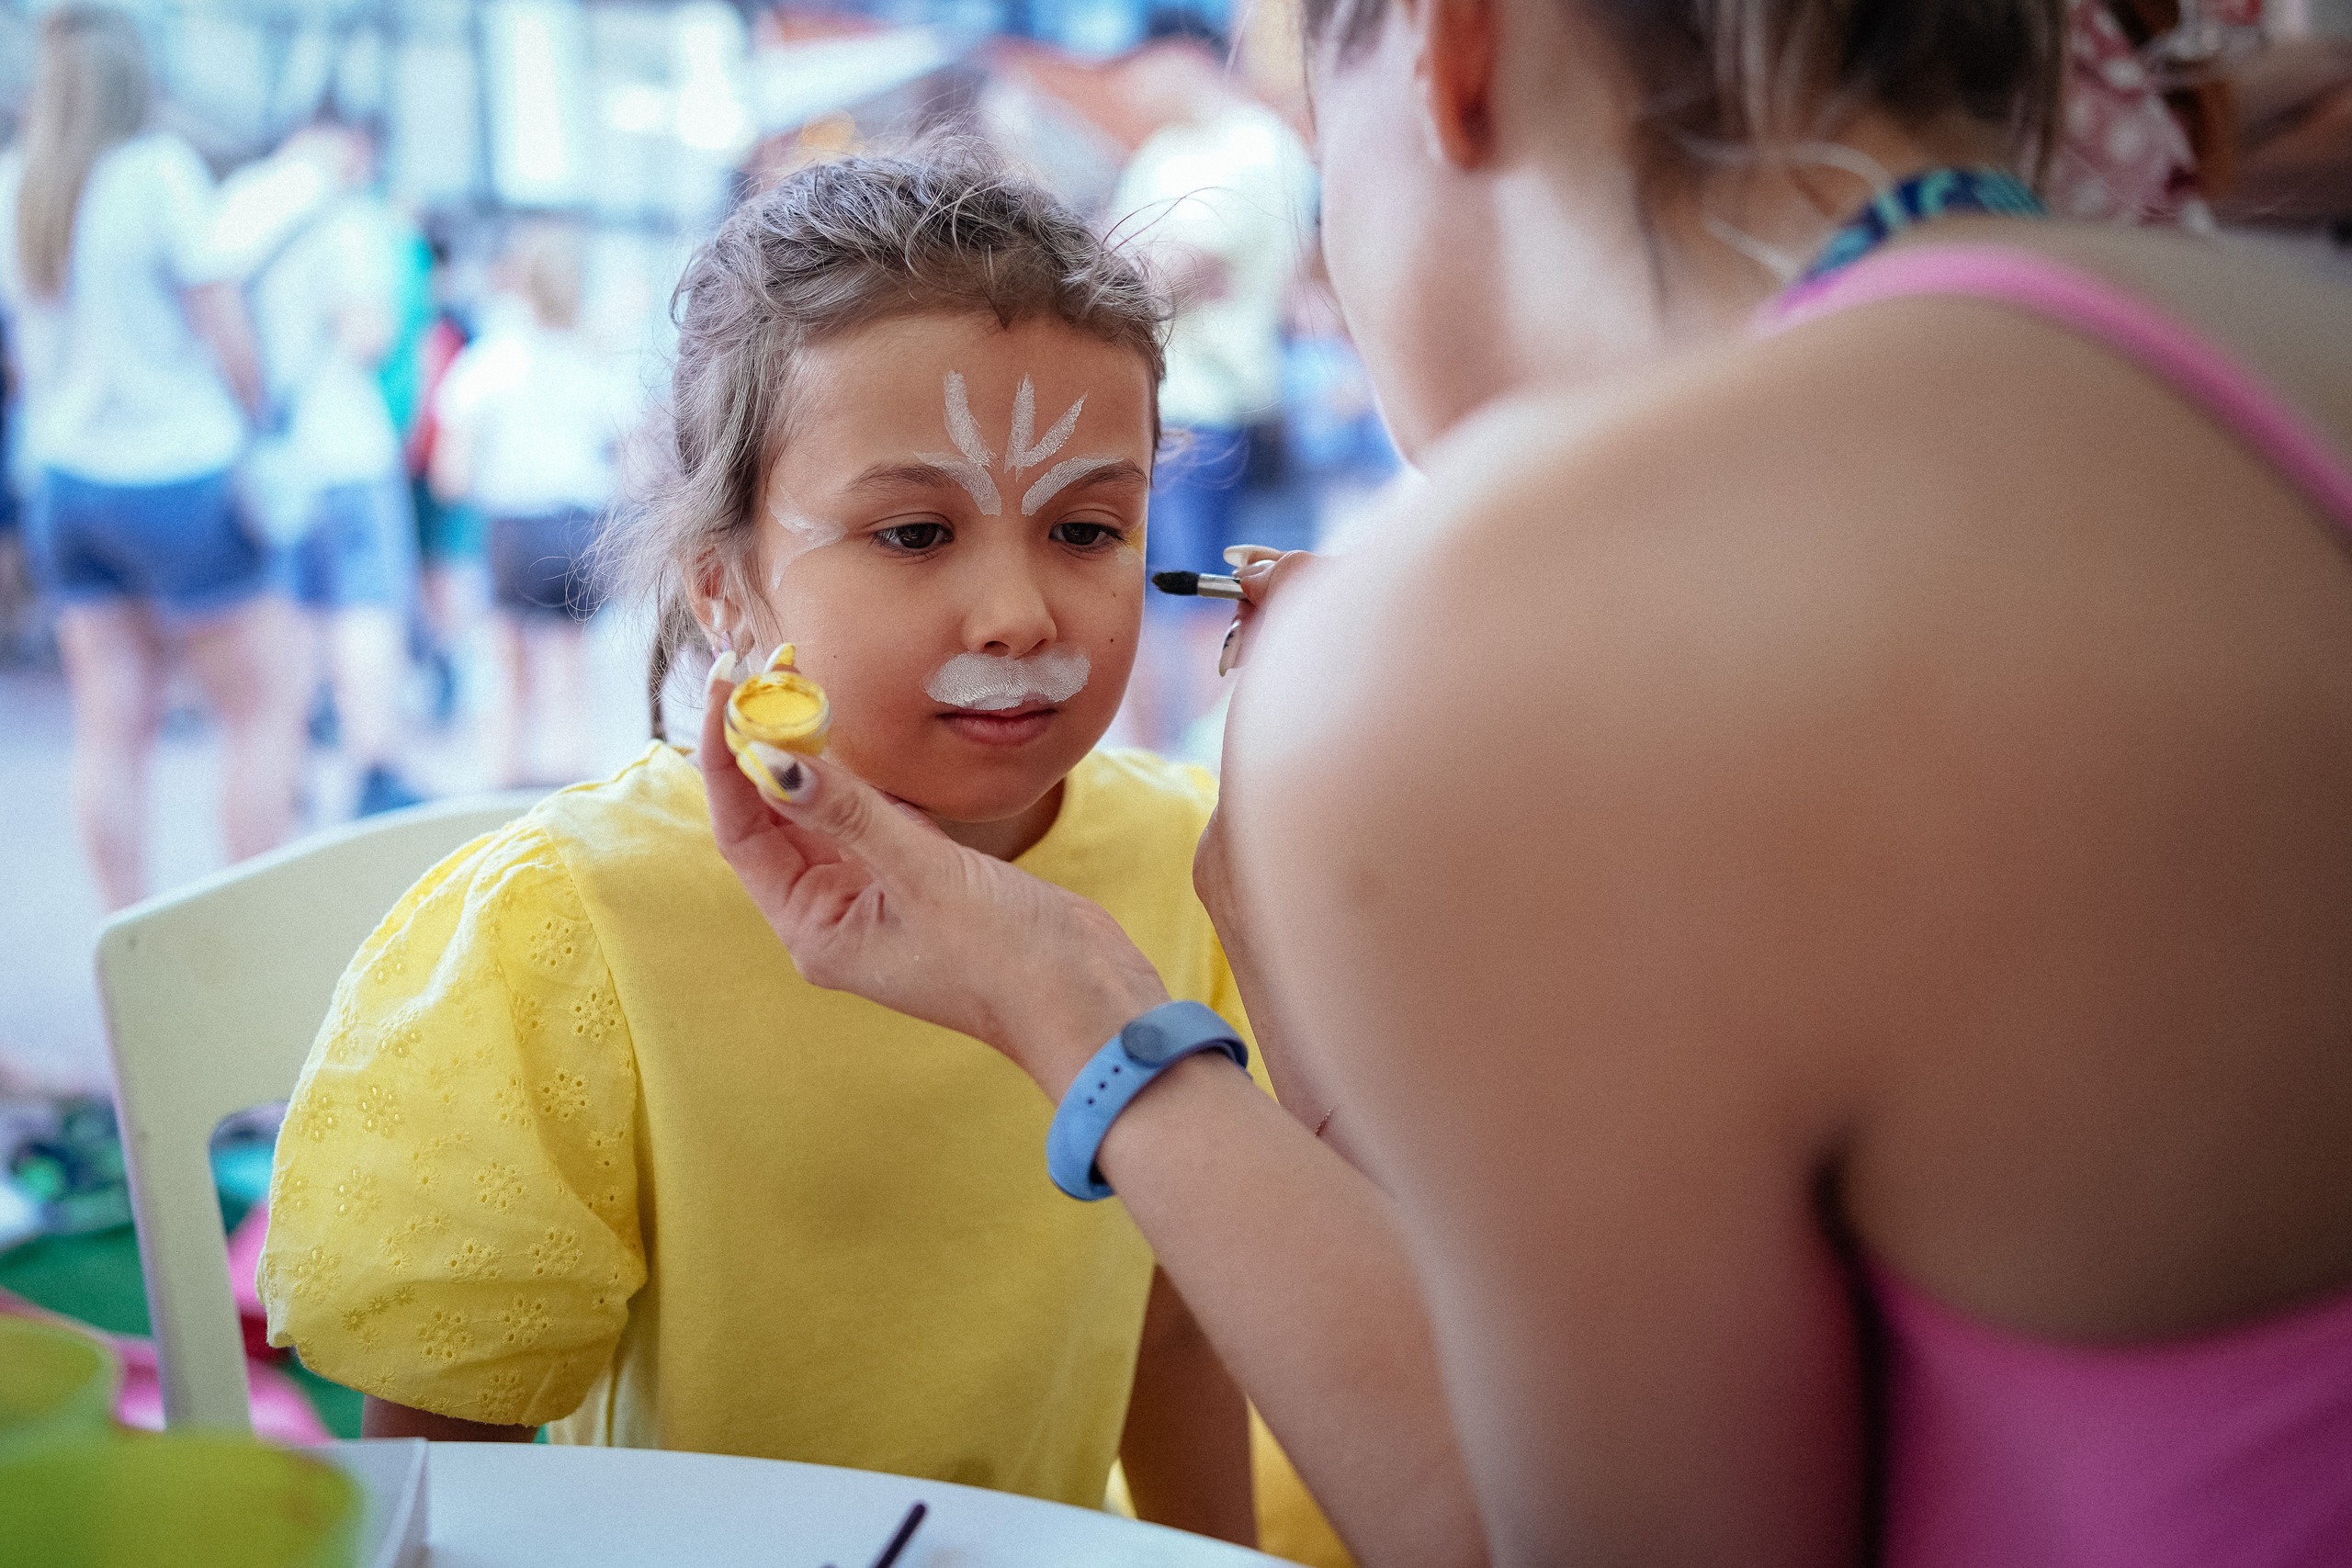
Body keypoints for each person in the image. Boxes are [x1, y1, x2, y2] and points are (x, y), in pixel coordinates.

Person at [688, 2, 2352, 1565]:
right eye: (915, 531)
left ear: (1448, 46)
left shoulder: (1500, 629)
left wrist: (1066, 997)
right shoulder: (2284, 339)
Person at [257, 155, 1260, 1543]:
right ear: (723, 582)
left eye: (1087, 527)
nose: (1023, 611)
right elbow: (450, 1458)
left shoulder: (1185, 858)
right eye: (915, 531)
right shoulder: (581, 921)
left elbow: (1176, 1339)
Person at [0, 5, 303, 909]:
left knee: (111, 723)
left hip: (65, 483)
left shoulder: (19, 185)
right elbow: (227, 334)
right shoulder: (158, 174)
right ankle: (256, 933)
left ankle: (125, 939)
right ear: (136, 79)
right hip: (179, 475)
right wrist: (261, 422)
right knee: (264, 705)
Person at [214, 120, 427, 818]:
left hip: (269, 457)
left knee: (291, 612)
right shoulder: (344, 218)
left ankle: (290, 761)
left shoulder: (236, 208)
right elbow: (369, 334)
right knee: (364, 606)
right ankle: (374, 764)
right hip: (345, 447)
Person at [1109, 28, 1315, 747]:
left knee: (1202, 604)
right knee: (1123, 602)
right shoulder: (1166, 153)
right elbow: (1123, 265)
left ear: (1182, 56)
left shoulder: (1255, 147)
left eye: (1135, 70)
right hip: (1155, 409)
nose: (1126, 90)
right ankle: (1147, 773)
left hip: (1207, 414)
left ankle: (1203, 778)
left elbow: (1156, 270)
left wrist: (1136, 260)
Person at [430, 220, 634, 787]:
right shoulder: (594, 362)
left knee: (508, 674)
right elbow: (631, 463)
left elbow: (451, 475)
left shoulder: (489, 363)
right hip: (578, 526)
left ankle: (502, 794)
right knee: (569, 677)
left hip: (512, 530)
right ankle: (572, 794)